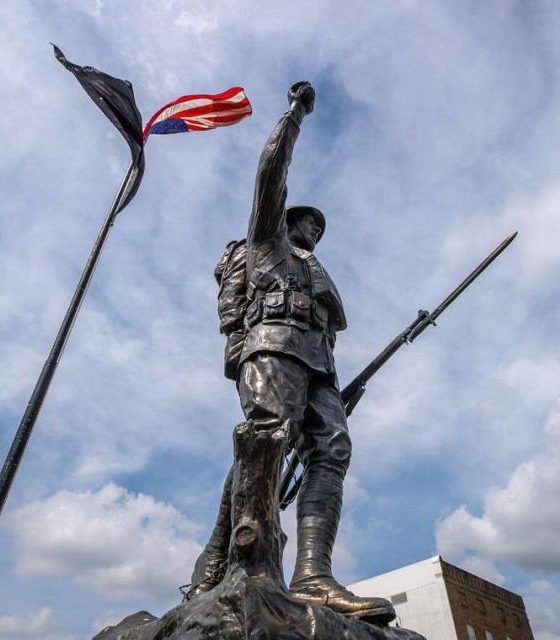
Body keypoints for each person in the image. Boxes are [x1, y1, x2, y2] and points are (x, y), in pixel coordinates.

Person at [187, 81, 396, 624]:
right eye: (309, 221)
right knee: (267, 438)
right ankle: (244, 563)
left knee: (333, 449)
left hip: (319, 364)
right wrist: (294, 117)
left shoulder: (316, 270)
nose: (315, 229)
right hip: (273, 346)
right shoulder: (267, 242)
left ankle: (313, 575)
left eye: (319, 227)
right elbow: (269, 178)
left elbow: (326, 326)